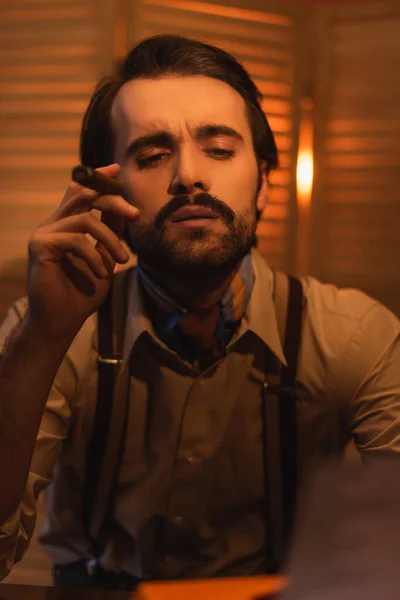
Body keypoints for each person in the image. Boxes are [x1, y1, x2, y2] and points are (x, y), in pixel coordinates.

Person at [0, 34, 399, 590]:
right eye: (152, 154)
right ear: (104, 194)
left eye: (218, 149)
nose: (189, 176)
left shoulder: (353, 336)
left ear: (263, 184)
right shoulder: (53, 330)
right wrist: (41, 340)